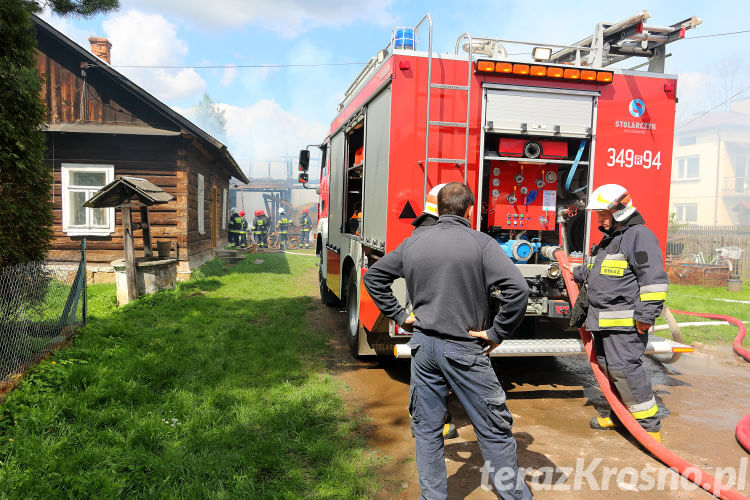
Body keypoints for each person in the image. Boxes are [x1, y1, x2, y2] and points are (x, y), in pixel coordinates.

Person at [363, 182, 532, 499]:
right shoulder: (480, 244)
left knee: (427, 430)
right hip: (464, 349)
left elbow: (373, 277)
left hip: (423, 348)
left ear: (437, 209)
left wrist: (401, 316)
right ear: (469, 210)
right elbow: (518, 291)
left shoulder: (414, 243)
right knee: (494, 429)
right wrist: (497, 333)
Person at [569, 184, 668, 444]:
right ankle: (620, 416)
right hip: (604, 321)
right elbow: (604, 273)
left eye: (603, 213)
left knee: (625, 370)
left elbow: (654, 280)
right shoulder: (612, 238)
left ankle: (649, 428)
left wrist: (646, 316)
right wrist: (576, 273)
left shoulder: (639, 236)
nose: (599, 219)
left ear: (620, 210)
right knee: (609, 370)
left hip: (626, 325)